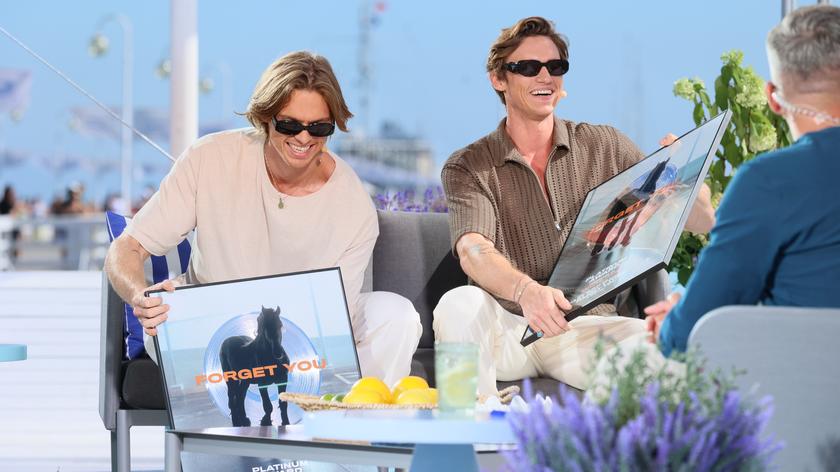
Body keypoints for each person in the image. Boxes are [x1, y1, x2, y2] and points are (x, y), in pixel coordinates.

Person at [433, 17, 715, 396]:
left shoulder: (606, 146)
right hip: (509, 327)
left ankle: (623, 436)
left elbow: (702, 220)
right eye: (528, 67)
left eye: (556, 66)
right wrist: (526, 292)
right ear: (499, 79)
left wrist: (686, 181)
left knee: (670, 355)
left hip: (583, 330)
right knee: (457, 304)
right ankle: (472, 425)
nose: (545, 76)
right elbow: (473, 249)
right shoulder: (470, 165)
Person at [104, 51, 422, 386]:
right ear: (265, 117)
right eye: (289, 125)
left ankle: (348, 414)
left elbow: (334, 318)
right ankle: (259, 407)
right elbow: (127, 248)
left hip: (307, 336)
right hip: (210, 324)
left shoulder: (354, 204)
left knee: (396, 316)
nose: (303, 138)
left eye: (319, 127)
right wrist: (139, 296)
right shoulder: (209, 158)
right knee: (167, 321)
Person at [647, 5, 840, 356]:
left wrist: (673, 322)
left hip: (803, 384)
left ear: (773, 98)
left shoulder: (769, 181)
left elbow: (689, 335)